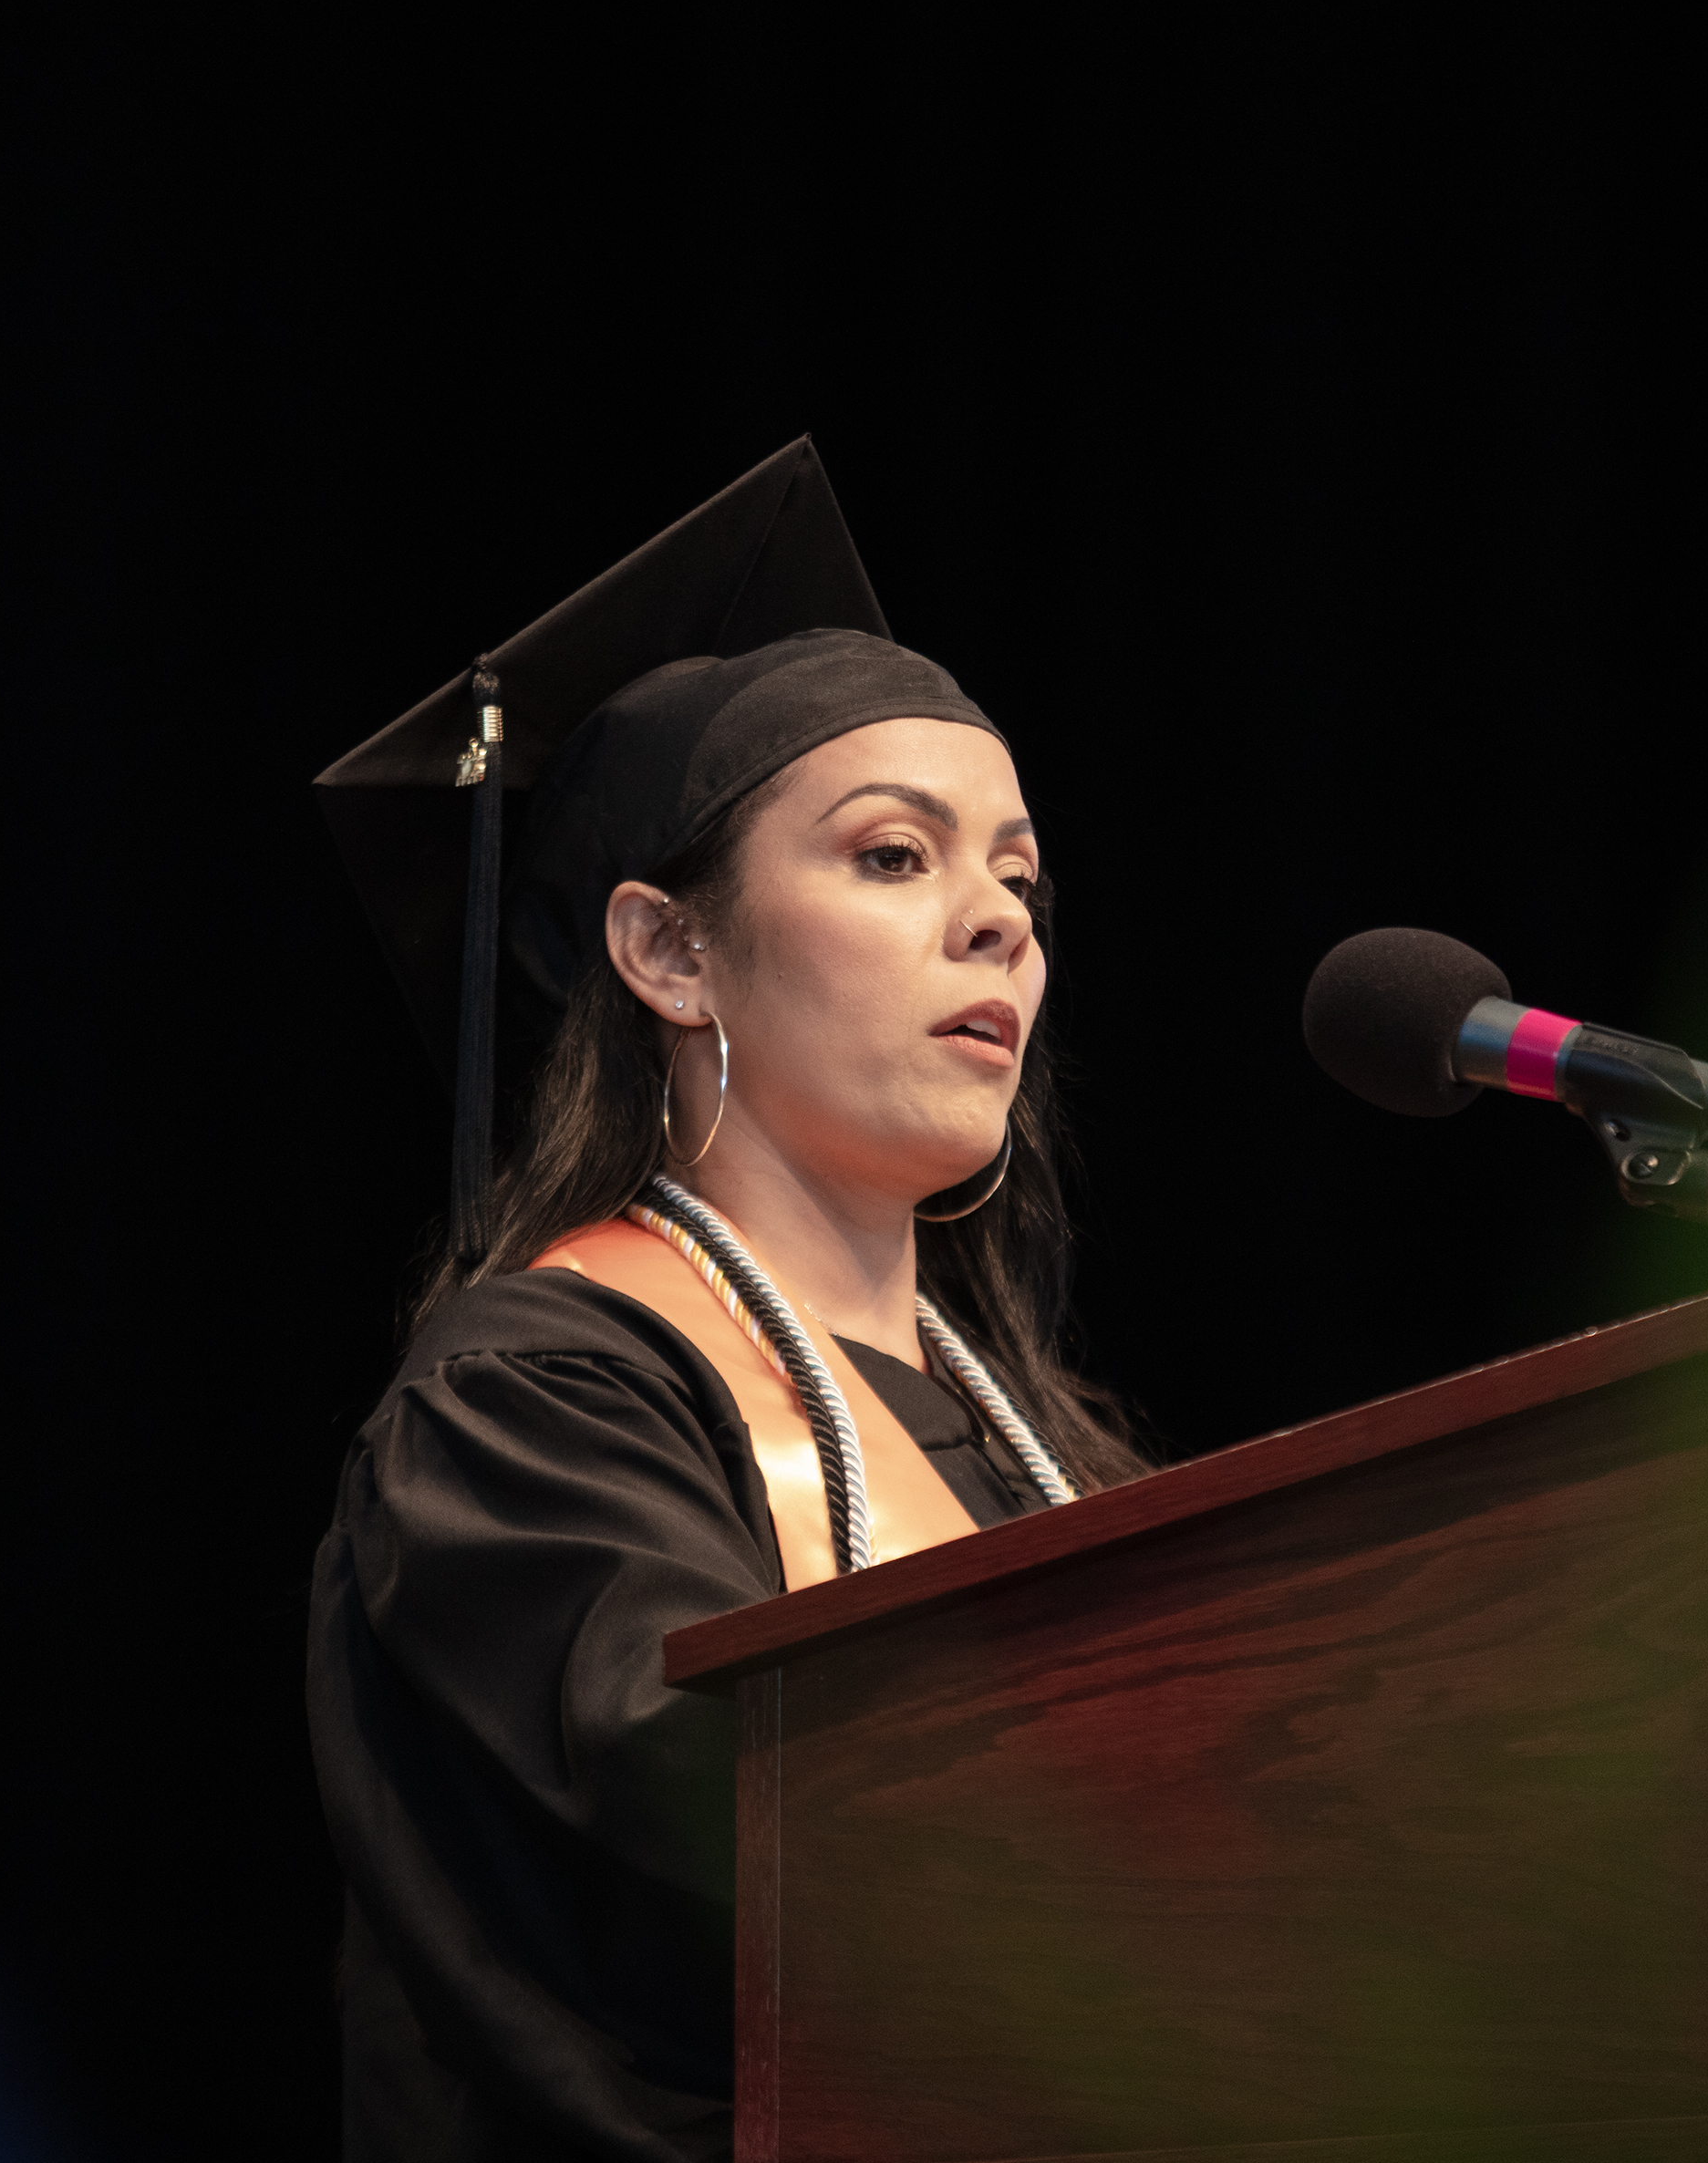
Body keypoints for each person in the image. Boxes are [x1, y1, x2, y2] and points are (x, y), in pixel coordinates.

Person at [305, 441, 1144, 2161]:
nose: (994, 921)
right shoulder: (535, 1407)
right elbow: (720, 1822)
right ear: (668, 954)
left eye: (1019, 877)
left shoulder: (1043, 1445)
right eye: (895, 857)